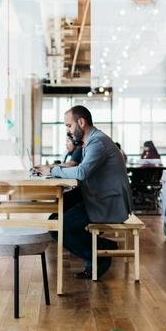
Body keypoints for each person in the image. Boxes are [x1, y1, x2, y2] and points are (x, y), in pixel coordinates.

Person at [34, 105, 132, 279]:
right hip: (99, 196)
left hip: (108, 203)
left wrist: (52, 170)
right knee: (54, 218)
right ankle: (99, 246)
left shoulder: (97, 142)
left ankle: (98, 255)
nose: (69, 131)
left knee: (58, 228)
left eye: (69, 126)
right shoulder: (92, 140)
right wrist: (52, 170)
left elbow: (81, 172)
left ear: (81, 122)